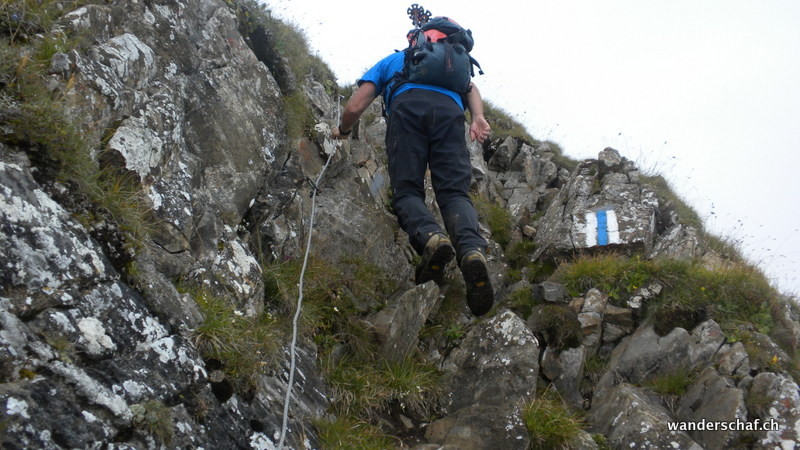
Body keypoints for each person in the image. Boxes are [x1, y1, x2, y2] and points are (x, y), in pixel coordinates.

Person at [333, 21, 494, 316]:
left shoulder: (396, 59)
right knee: (455, 194)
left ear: (415, 40)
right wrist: (478, 117)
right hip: (450, 114)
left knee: (407, 191)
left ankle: (432, 237)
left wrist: (343, 131)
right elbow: (471, 87)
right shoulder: (455, 68)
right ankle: (471, 251)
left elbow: (355, 108)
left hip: (407, 110)